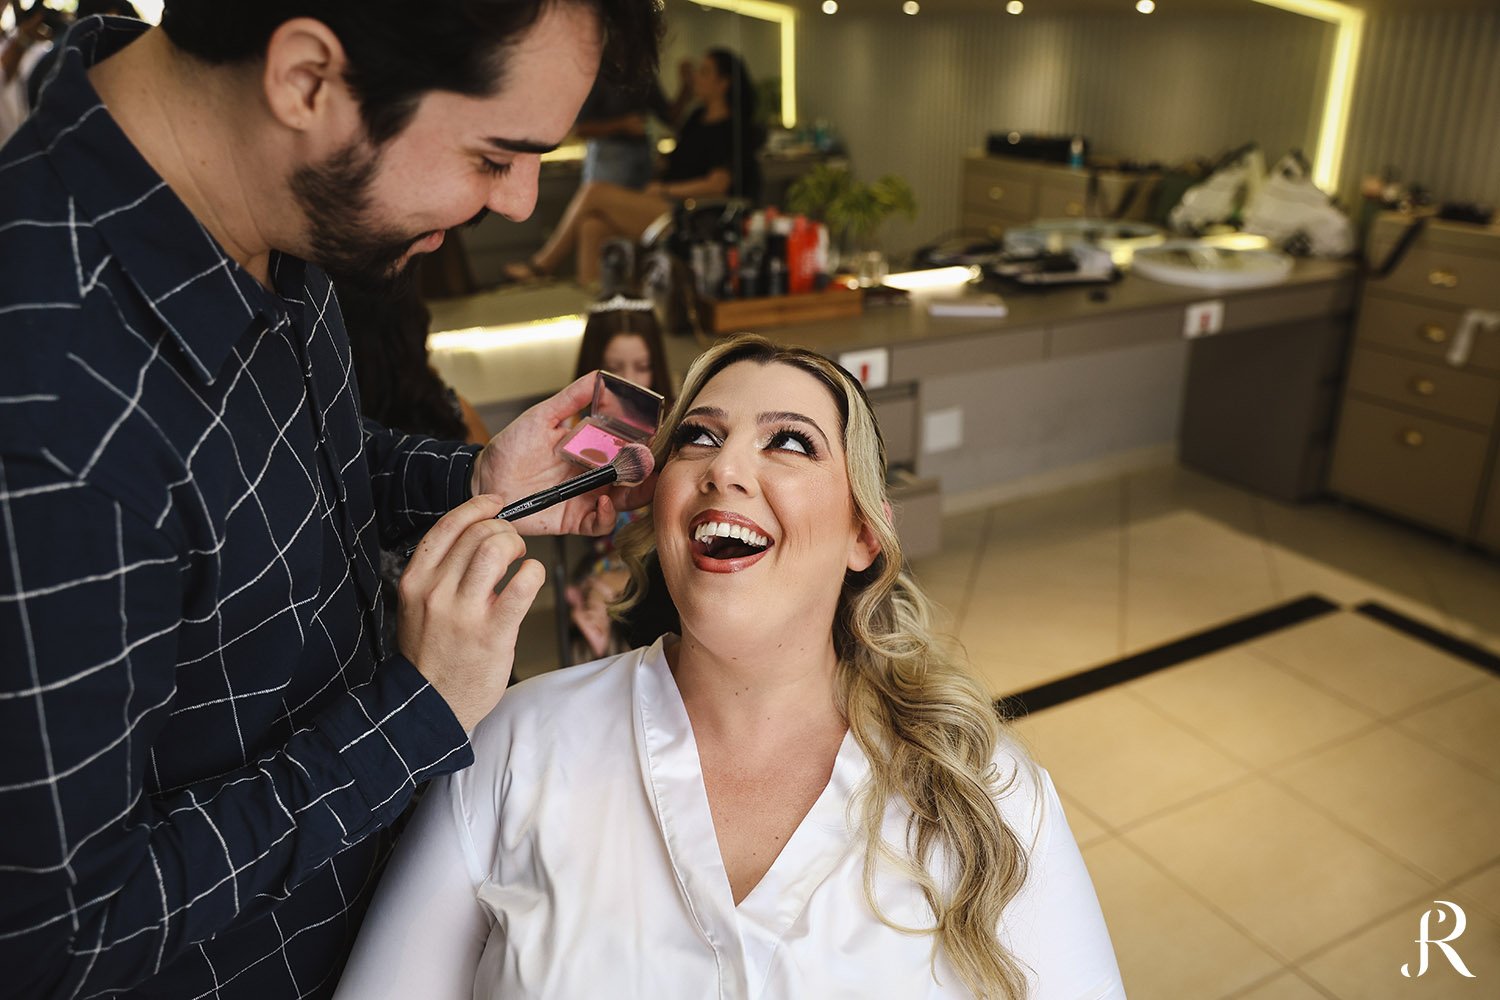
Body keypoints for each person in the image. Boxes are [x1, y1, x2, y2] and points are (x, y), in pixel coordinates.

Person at [0, 2, 660, 998]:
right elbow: (61, 936)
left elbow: (284, 474)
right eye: (494, 155)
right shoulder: (53, 416)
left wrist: (471, 481)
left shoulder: (272, 201)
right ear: (307, 79)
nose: (523, 203)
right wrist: (414, 715)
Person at [334, 334, 1128, 999]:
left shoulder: (991, 793)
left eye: (790, 442)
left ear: (864, 534)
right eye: (699, 438)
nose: (725, 470)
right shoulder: (513, 743)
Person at [504, 47, 764, 286]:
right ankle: (600, 308)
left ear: (724, 83)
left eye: (704, 72)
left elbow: (717, 185)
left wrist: (664, 190)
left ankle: (542, 266)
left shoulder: (732, 128)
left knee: (594, 192)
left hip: (695, 216)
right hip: (669, 205)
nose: (697, 76)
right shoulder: (696, 119)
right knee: (592, 226)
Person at [563, 295, 673, 660]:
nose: (631, 382)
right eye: (615, 369)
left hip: (665, 559)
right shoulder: (580, 434)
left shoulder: (675, 424)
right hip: (607, 557)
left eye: (642, 367)